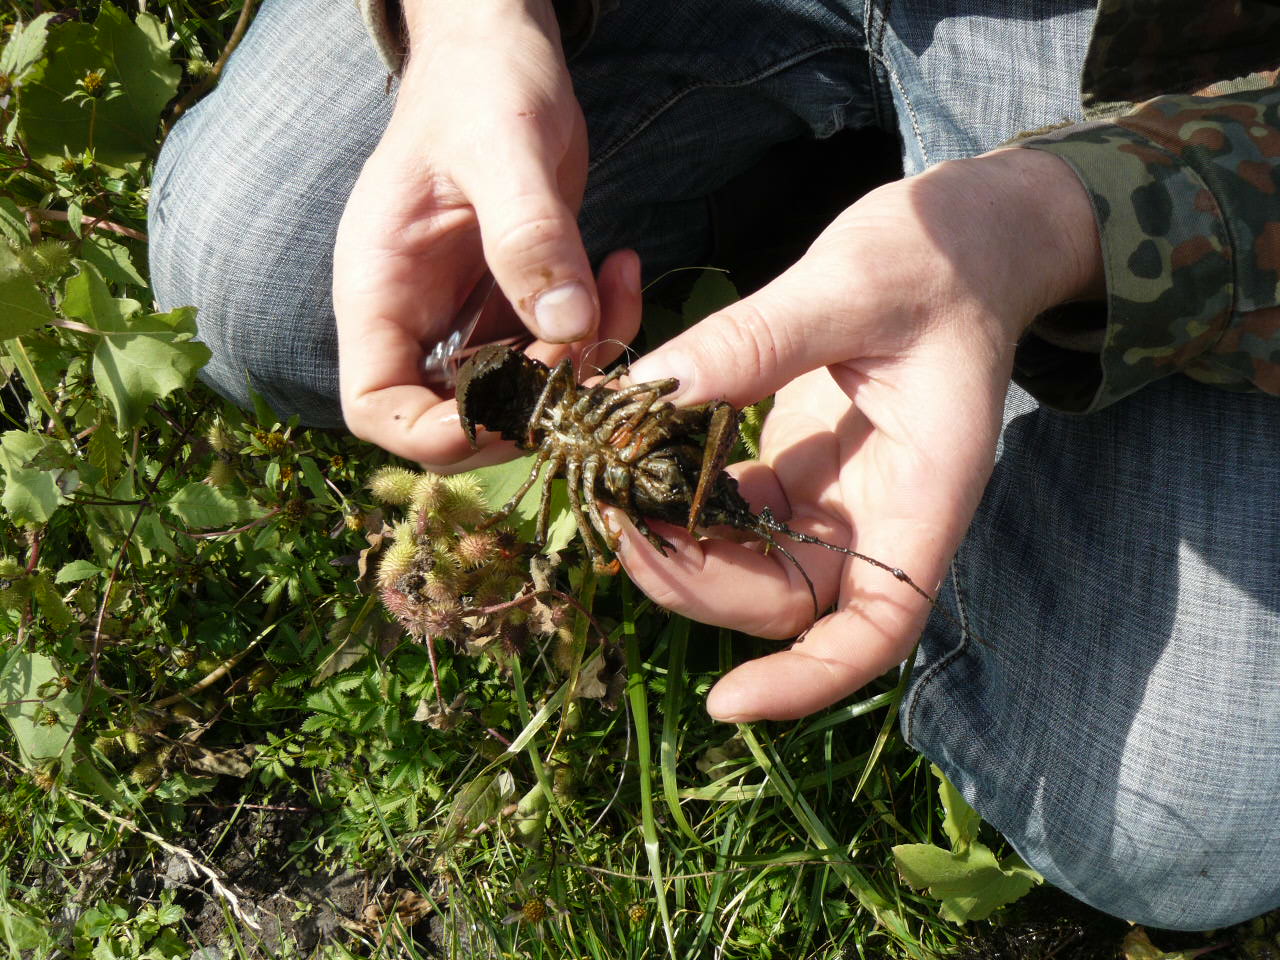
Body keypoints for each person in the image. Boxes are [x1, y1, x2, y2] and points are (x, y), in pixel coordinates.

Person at [148, 0, 1280, 932]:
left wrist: (1045, 224)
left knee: (1181, 813)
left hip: (1158, 53)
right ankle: (828, 224)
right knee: (261, 278)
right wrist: (468, 23)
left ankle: (907, 264)